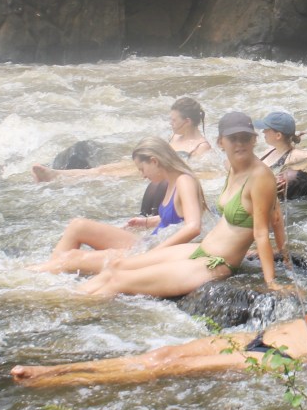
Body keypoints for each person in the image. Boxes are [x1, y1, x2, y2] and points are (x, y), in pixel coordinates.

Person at [10, 238, 307, 387]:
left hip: (278, 361)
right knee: (162, 355)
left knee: (161, 371)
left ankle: (50, 380)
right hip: (259, 339)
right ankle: (61, 369)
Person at [73, 112, 286, 297]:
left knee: (119, 281)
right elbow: (275, 216)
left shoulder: (260, 177)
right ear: (221, 142)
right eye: (233, 138)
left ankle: (73, 308)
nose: (239, 144)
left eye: (245, 138)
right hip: (201, 249)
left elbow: (260, 233)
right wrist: (284, 252)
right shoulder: (233, 166)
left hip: (216, 264)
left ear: (254, 141)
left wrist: (271, 282)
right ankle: (67, 298)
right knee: (117, 266)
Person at [28, 138, 207, 275]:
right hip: (149, 243)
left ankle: (34, 275)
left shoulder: (184, 181)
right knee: (78, 225)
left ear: (154, 161)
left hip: (155, 251)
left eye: (141, 169)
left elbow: (193, 227)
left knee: (73, 259)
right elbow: (178, 218)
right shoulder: (172, 181)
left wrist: (153, 254)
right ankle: (47, 271)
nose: (142, 175)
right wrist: (147, 222)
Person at [32, 97, 212, 182]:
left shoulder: (201, 146)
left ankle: (57, 176)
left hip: (157, 172)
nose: (170, 123)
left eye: (174, 120)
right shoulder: (175, 135)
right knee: (101, 169)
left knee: (105, 174)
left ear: (187, 122)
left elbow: (194, 172)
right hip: (147, 165)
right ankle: (55, 174)